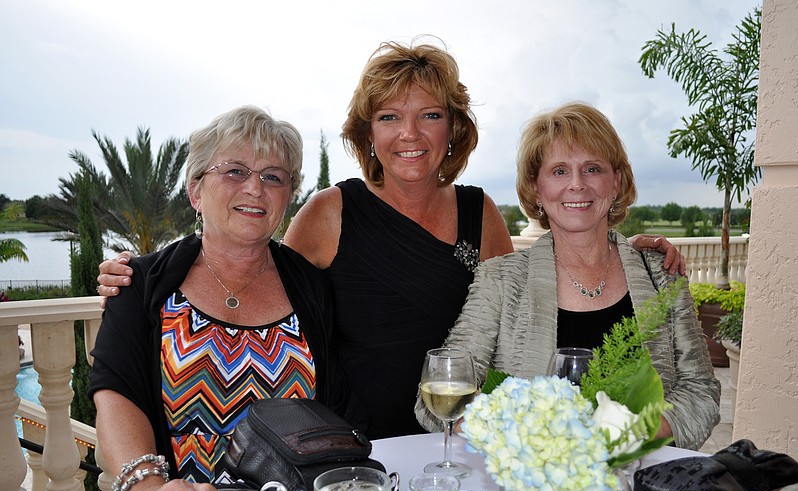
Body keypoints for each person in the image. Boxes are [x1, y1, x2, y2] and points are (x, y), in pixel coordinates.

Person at [98, 41, 684, 440]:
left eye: (429, 115)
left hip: (460, 438)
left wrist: (626, 251)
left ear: (452, 129)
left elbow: (526, 309)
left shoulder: (480, 213)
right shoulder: (330, 212)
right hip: (354, 444)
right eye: (388, 117)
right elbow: (254, 269)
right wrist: (151, 272)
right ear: (368, 133)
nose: (410, 134)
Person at [89, 106, 340, 491]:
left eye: (273, 177)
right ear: (195, 191)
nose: (254, 188)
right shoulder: (141, 284)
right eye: (235, 171)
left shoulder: (315, 289)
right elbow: (114, 393)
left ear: (288, 198)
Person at [415, 102, 719, 451]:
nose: (577, 184)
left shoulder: (661, 276)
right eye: (559, 171)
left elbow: (701, 392)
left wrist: (625, 433)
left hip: (639, 474)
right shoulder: (500, 281)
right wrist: (518, 435)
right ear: (536, 188)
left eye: (592, 169)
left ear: (616, 182)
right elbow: (439, 392)